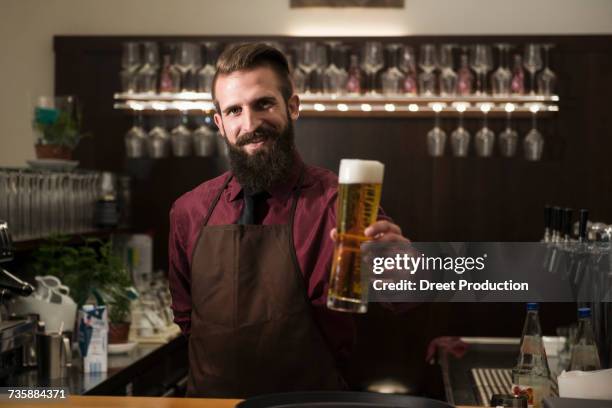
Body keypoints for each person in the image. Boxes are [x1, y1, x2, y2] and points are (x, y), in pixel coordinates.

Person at [168, 42, 408, 398]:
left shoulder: (338, 202)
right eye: (234, 110)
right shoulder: (189, 210)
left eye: (263, 104)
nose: (250, 124)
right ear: (219, 123)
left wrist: (404, 267)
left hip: (311, 405)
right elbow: (187, 319)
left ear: (292, 106)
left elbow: (403, 295)